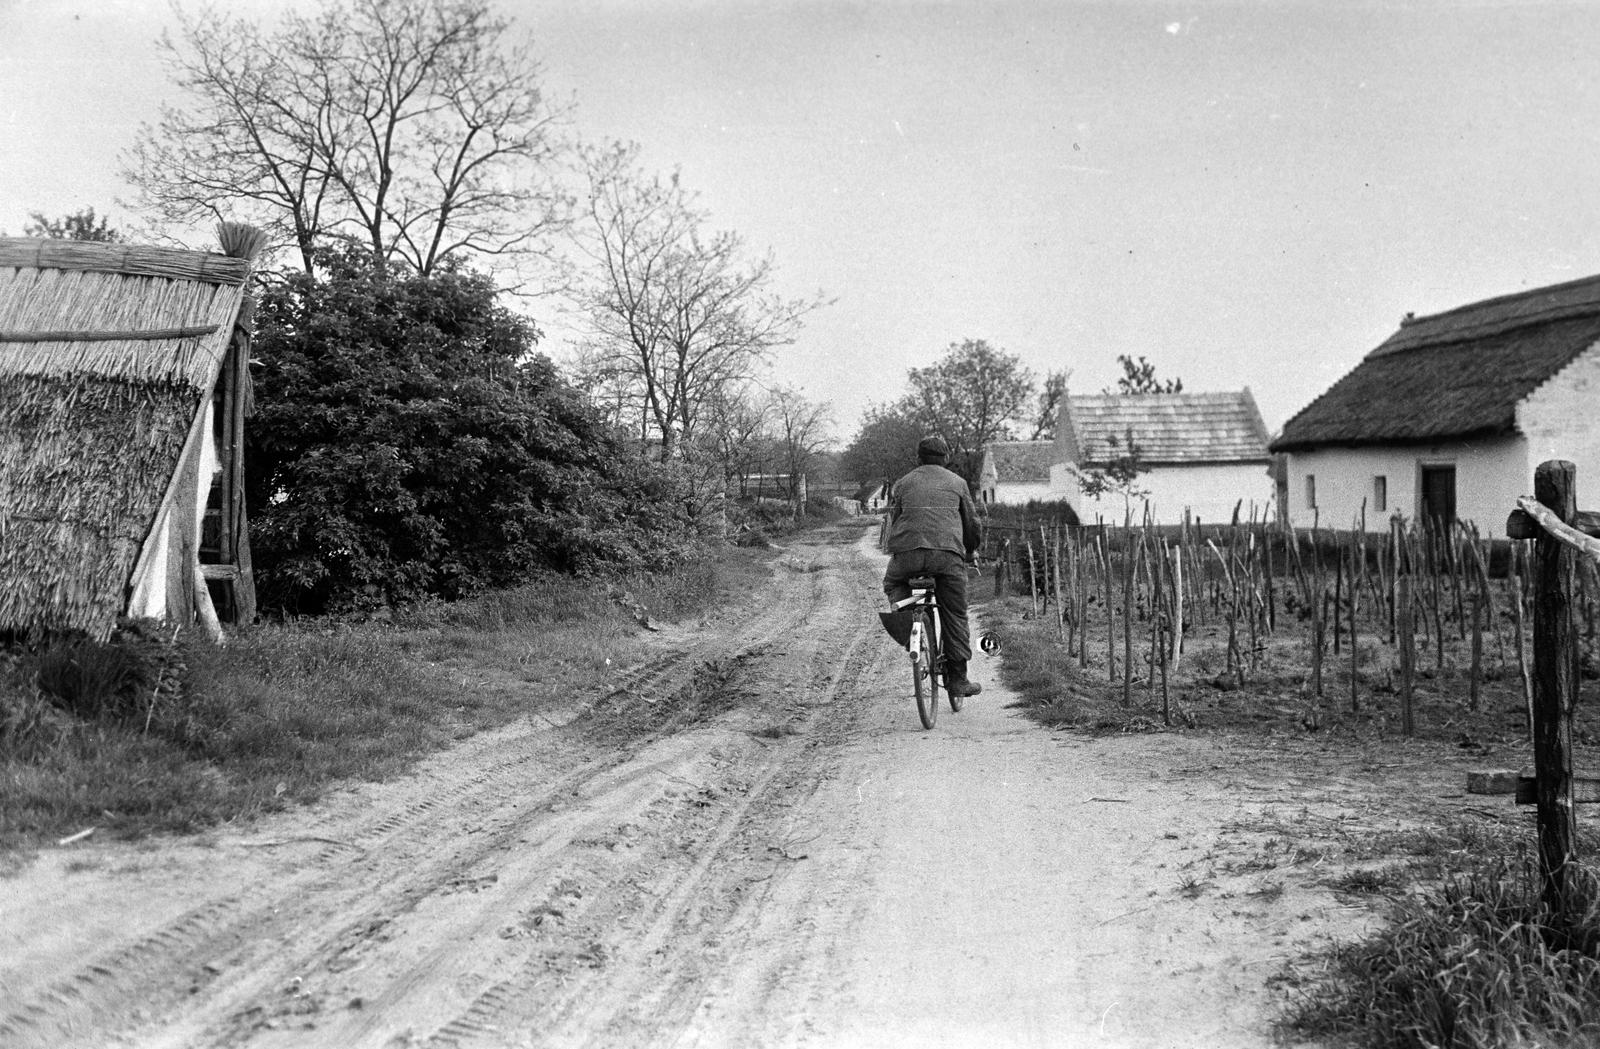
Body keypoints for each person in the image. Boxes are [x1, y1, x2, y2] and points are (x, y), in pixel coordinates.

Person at [883, 435, 983, 697]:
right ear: (946, 459)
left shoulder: (903, 484)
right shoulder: (958, 483)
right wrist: (970, 551)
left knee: (893, 583)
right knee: (955, 613)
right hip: (947, 557)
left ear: (918, 458)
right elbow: (971, 524)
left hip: (908, 556)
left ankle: (910, 625)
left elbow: (895, 519)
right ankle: (958, 680)